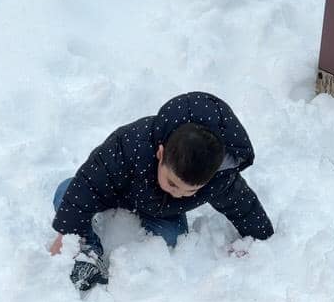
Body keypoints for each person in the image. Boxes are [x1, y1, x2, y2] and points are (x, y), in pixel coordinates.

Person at [50, 92, 274, 291]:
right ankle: (88, 251)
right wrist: (67, 233)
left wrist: (260, 240)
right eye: (173, 184)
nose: (179, 194)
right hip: (114, 191)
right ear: (160, 154)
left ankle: (142, 258)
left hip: (161, 212)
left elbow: (243, 205)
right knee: (67, 191)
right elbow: (88, 183)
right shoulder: (129, 145)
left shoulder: (219, 176)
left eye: (191, 191)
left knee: (171, 238)